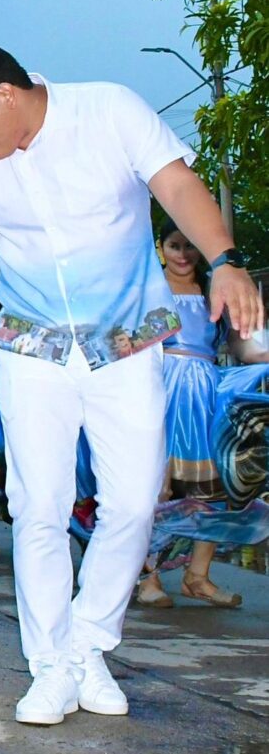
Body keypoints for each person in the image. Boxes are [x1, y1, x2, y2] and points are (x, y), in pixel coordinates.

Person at [0, 39, 261, 726]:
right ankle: (51, 666)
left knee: (133, 505)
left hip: (128, 344)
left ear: (7, 96)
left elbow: (176, 185)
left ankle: (88, 644)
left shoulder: (108, 110)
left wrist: (224, 259)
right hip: (32, 350)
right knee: (38, 505)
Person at [133, 221, 269, 608]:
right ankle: (148, 576)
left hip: (206, 391)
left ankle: (198, 576)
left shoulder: (214, 290)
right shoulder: (146, 286)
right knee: (155, 486)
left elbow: (245, 347)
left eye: (190, 246)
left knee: (213, 487)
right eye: (174, 245)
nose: (183, 254)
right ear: (161, 247)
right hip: (158, 386)